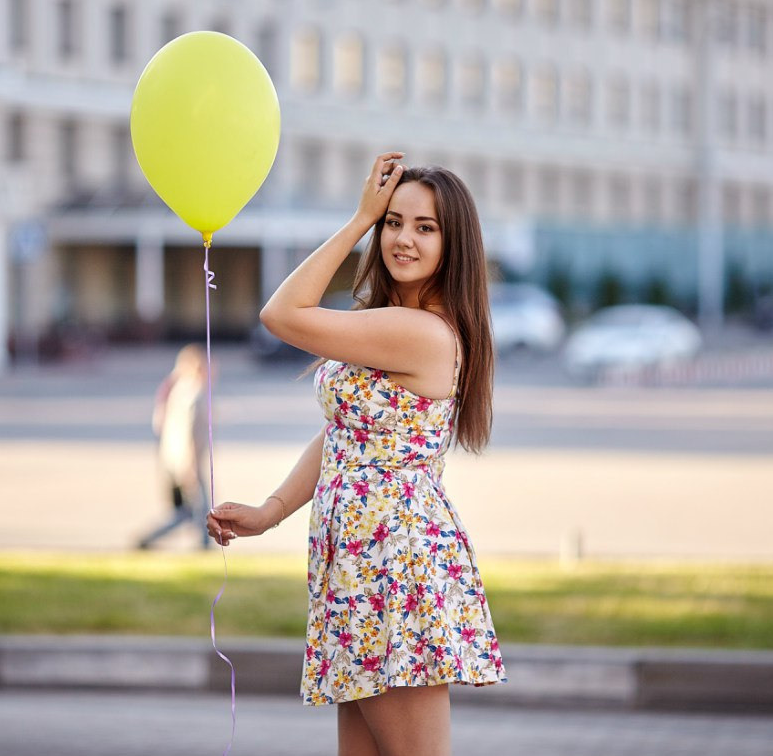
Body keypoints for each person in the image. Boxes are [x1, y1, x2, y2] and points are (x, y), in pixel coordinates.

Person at [207, 152, 506, 756]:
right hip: (357, 564)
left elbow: (280, 314)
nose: (402, 238)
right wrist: (271, 510)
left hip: (394, 564)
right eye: (393, 222)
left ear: (454, 244)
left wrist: (359, 218)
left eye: (425, 227)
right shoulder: (393, 320)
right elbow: (346, 433)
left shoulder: (422, 332)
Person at [136, 344, 211, 550]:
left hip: (171, 460)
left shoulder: (176, 390)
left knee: (186, 512)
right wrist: (190, 466)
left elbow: (159, 424)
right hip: (186, 463)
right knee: (202, 512)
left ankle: (149, 539)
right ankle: (205, 548)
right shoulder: (194, 394)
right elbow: (189, 434)